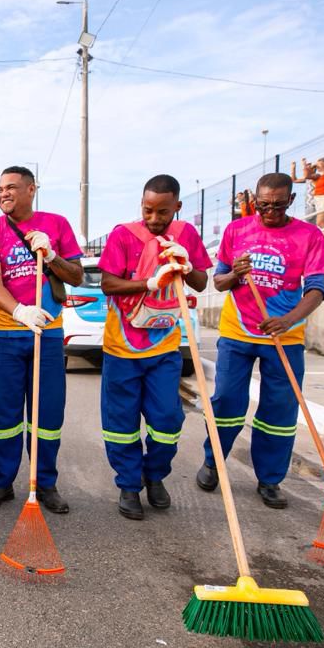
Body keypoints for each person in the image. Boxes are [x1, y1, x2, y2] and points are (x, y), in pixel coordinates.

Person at [197, 173, 324, 509]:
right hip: (237, 332)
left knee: (279, 410)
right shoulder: (237, 230)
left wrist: (288, 320)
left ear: (290, 201)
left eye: (276, 205)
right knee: (227, 402)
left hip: (283, 337)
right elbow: (219, 282)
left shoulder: (309, 235)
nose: (269, 211)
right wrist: (235, 274)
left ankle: (270, 480)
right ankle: (213, 462)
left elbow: (317, 289)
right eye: (263, 205)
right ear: (254, 201)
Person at [98, 175, 212, 520]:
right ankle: (129, 485)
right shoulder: (123, 235)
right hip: (122, 348)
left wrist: (187, 264)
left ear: (177, 207)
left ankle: (155, 475)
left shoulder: (186, 235)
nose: (154, 218)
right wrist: (149, 282)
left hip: (164, 348)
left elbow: (202, 281)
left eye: (162, 212)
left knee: (167, 419)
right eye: (148, 210)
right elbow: (108, 283)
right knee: (122, 423)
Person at [0, 166, 84, 512]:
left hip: (47, 336)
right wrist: (20, 311)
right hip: (7, 336)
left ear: (31, 189)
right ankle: (3, 481)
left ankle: (44, 482)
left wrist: (51, 256)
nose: (3, 194)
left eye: (11, 188)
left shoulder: (57, 224)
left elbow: (77, 276)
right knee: (4, 414)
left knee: (47, 415)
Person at [296, 158, 324, 239]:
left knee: (320, 222)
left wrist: (316, 163)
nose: (317, 167)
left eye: (319, 164)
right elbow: (307, 176)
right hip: (318, 200)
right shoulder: (319, 176)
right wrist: (305, 165)